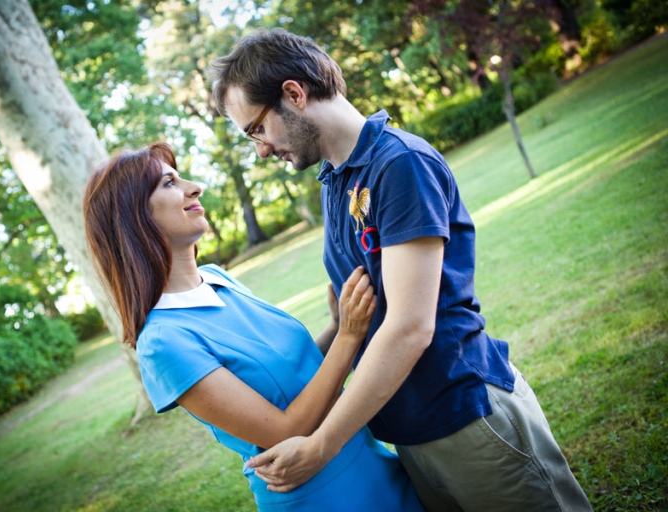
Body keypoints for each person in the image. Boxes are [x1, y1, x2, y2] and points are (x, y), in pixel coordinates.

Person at [210, 28, 593, 512]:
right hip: (409, 430)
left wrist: (322, 444)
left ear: (293, 94)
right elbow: (358, 321)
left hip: (468, 417)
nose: (261, 149)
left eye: (257, 129)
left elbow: (410, 327)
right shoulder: (336, 181)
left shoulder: (399, 164)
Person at [82, 141, 423, 511]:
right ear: (133, 219)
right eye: (169, 183)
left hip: (371, 461)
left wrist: (337, 327)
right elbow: (286, 429)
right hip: (322, 495)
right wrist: (348, 336)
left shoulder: (218, 279)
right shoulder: (163, 342)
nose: (194, 187)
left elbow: (291, 375)